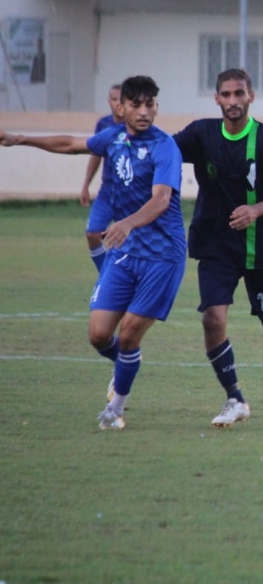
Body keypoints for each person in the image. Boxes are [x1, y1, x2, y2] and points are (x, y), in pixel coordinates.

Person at [0, 75, 187, 431]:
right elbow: (72, 144)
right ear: (122, 107)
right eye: (137, 104)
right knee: (99, 335)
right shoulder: (113, 137)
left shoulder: (165, 147)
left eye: (151, 104)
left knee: (130, 334)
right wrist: (19, 138)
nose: (145, 111)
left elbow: (162, 199)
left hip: (162, 255)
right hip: (126, 251)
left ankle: (115, 409)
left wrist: (128, 223)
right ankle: (127, 363)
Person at [173, 68, 263, 430]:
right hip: (215, 245)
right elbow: (164, 151)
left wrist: (256, 210)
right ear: (216, 99)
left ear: (251, 96)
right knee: (212, 319)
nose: (232, 101)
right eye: (225, 95)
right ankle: (235, 398)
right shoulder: (201, 134)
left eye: (239, 94)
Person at [80, 84, 123, 272]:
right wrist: (86, 185)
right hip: (107, 191)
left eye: (122, 99)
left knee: (126, 239)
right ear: (109, 101)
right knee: (92, 233)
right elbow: (95, 154)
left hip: (130, 192)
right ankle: (106, 275)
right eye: (114, 99)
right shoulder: (103, 124)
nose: (118, 103)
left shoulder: (137, 127)